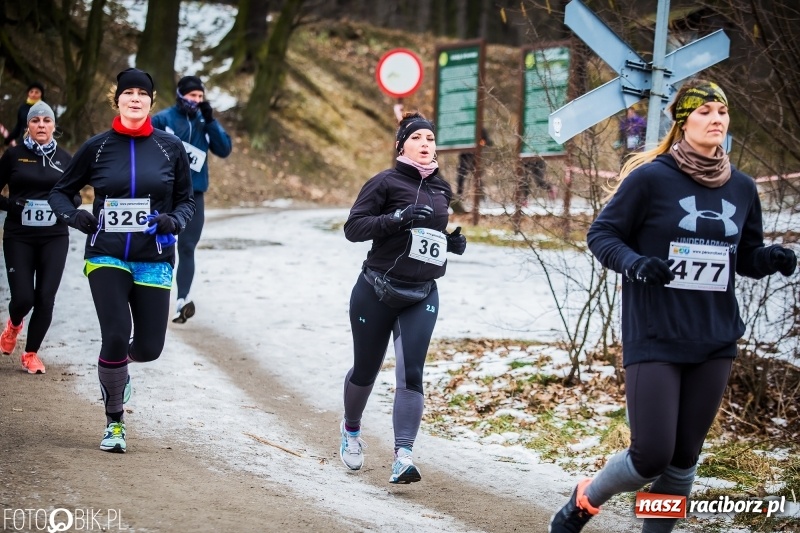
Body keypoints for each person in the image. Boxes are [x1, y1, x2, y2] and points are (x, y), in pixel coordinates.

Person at [550, 79, 797, 532]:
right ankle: (584, 500)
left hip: (714, 338)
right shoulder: (651, 178)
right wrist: (637, 264)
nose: (716, 119)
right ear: (683, 122)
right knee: (651, 455)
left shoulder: (741, 189)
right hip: (656, 332)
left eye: (722, 112)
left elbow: (744, 257)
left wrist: (771, 259)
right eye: (704, 112)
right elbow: (602, 235)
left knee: (683, 460)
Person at [48, 68, 195, 454]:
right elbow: (60, 193)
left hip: (155, 258)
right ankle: (115, 422)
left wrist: (173, 220)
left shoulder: (170, 147)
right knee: (114, 334)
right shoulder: (97, 147)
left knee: (148, 348)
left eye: (142, 94)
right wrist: (75, 216)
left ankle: (116, 366)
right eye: (127, 93)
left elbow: (186, 201)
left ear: (151, 101)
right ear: (117, 100)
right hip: (106, 254)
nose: (135, 98)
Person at [339, 111, 467, 483]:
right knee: (366, 370)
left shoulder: (442, 188)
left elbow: (429, 239)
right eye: (417, 138)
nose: (426, 144)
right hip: (375, 290)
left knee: (411, 373)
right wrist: (397, 218)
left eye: (430, 138)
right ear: (401, 145)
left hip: (421, 293)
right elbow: (353, 228)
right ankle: (351, 431)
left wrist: (450, 243)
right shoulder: (384, 182)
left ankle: (403, 455)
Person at [0, 101, 77, 374]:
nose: (41, 125)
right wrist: (12, 205)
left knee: (45, 297)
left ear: (54, 126)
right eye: (35, 121)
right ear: (27, 126)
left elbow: (75, 195)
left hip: (54, 236)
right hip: (18, 236)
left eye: (46, 120)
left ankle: (31, 354)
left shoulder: (66, 159)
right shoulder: (13, 156)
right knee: (23, 298)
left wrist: (67, 204)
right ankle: (14, 324)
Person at [151, 75, 232, 324]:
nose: (196, 100)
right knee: (161, 246)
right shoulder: (163, 119)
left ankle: (181, 301)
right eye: (191, 95)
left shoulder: (204, 123)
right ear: (180, 95)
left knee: (187, 247)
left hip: (194, 195)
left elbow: (224, 149)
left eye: (200, 96)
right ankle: (154, 298)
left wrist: (210, 121)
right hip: (164, 195)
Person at [4, 82, 45, 147]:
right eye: (31, 92)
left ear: (41, 94)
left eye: (36, 92)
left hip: (40, 145)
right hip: (23, 143)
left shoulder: (46, 108)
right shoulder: (23, 108)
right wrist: (9, 138)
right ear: (28, 94)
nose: (33, 94)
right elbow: (19, 126)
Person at [455, 128, 491, 197]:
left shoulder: (480, 128)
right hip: (464, 156)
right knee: (461, 176)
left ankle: (481, 196)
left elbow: (488, 141)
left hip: (476, 156)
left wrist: (481, 143)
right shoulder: (465, 127)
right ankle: (459, 194)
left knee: (477, 176)